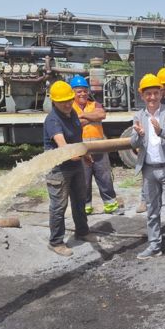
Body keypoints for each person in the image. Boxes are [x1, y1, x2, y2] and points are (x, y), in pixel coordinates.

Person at [131, 74, 165, 261]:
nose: (152, 97)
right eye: (148, 94)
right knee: (152, 210)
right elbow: (133, 143)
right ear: (142, 96)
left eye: (156, 93)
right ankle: (154, 245)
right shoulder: (138, 115)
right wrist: (138, 135)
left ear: (161, 93)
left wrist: (161, 132)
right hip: (149, 170)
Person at [43, 80, 99, 257]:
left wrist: (86, 154)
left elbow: (77, 137)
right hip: (58, 169)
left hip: (75, 166)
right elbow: (65, 147)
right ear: (54, 102)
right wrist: (78, 153)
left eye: (69, 100)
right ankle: (56, 242)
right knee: (59, 206)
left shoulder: (72, 112)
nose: (68, 104)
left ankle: (82, 231)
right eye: (63, 102)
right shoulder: (52, 120)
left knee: (80, 200)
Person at [70, 75, 121, 215]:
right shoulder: (70, 107)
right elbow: (74, 125)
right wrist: (91, 117)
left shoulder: (95, 104)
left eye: (85, 91)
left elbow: (101, 115)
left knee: (105, 177)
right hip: (81, 148)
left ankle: (111, 206)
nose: (83, 94)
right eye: (79, 91)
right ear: (72, 92)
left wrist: (83, 116)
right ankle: (86, 208)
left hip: (99, 147)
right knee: (83, 180)